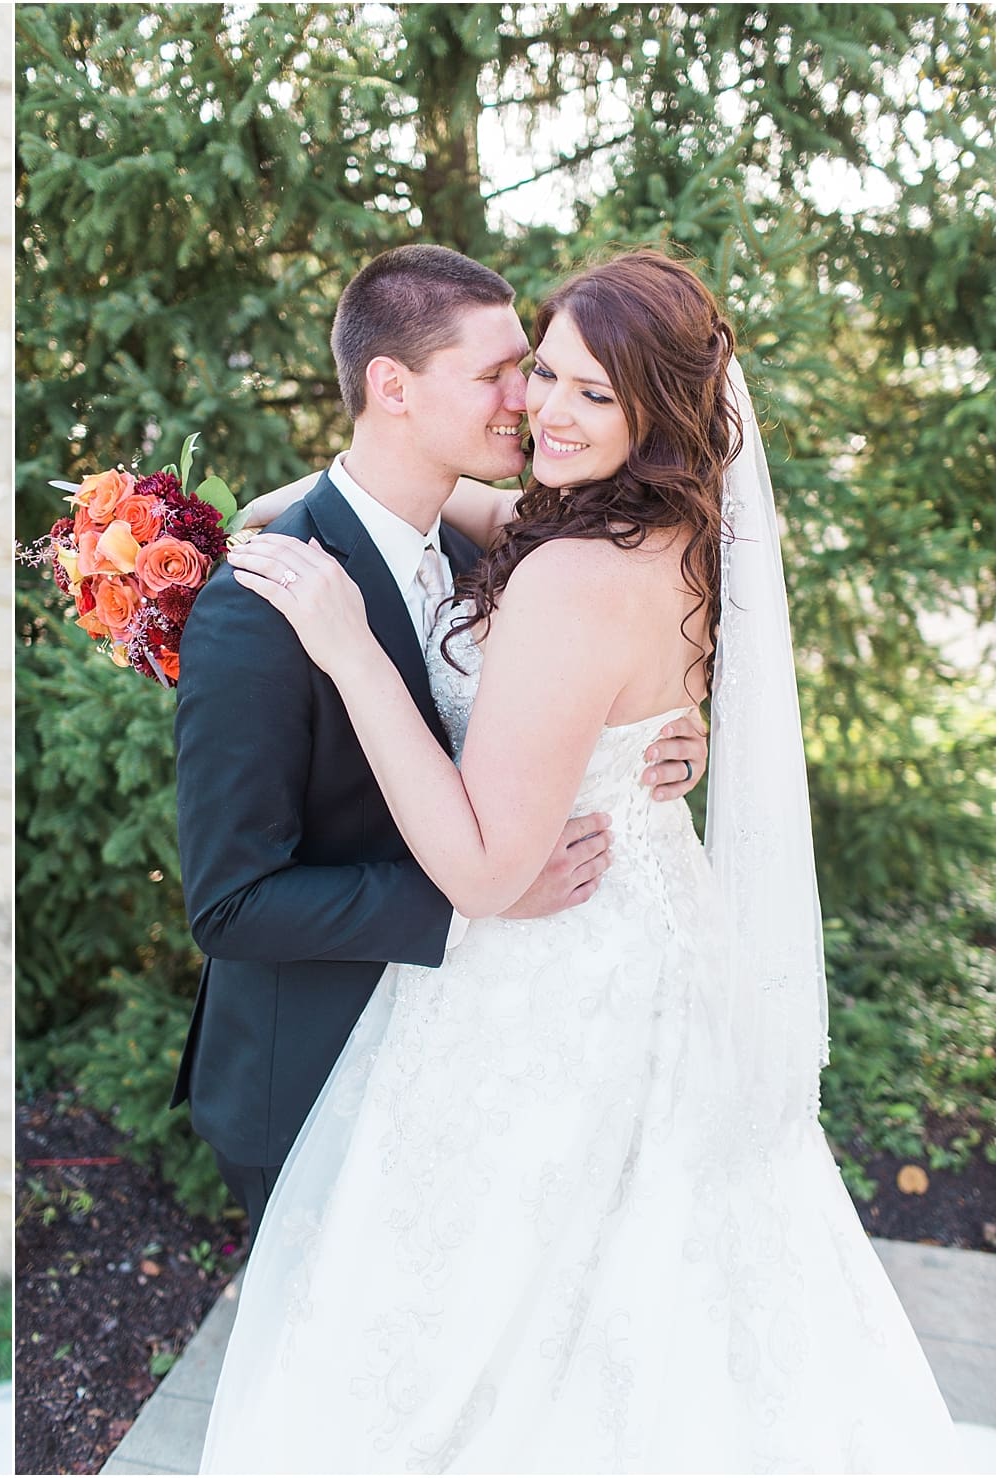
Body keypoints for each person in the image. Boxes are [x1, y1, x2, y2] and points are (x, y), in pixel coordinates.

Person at [198, 249, 963, 1471]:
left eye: (593, 394)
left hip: (549, 971)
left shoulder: (566, 574)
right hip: (660, 939)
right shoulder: (667, 533)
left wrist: (348, 645)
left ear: (656, 410)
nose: (546, 409)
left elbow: (488, 874)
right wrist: (291, 503)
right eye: (540, 371)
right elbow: (435, 505)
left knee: (503, 1333)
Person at [171, 245, 710, 1229]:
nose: (528, 400)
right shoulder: (265, 608)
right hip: (315, 1072)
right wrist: (480, 902)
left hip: (484, 1051)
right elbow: (230, 903)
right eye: (506, 373)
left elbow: (592, 674)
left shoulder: (495, 547)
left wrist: (648, 736)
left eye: (536, 367)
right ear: (393, 387)